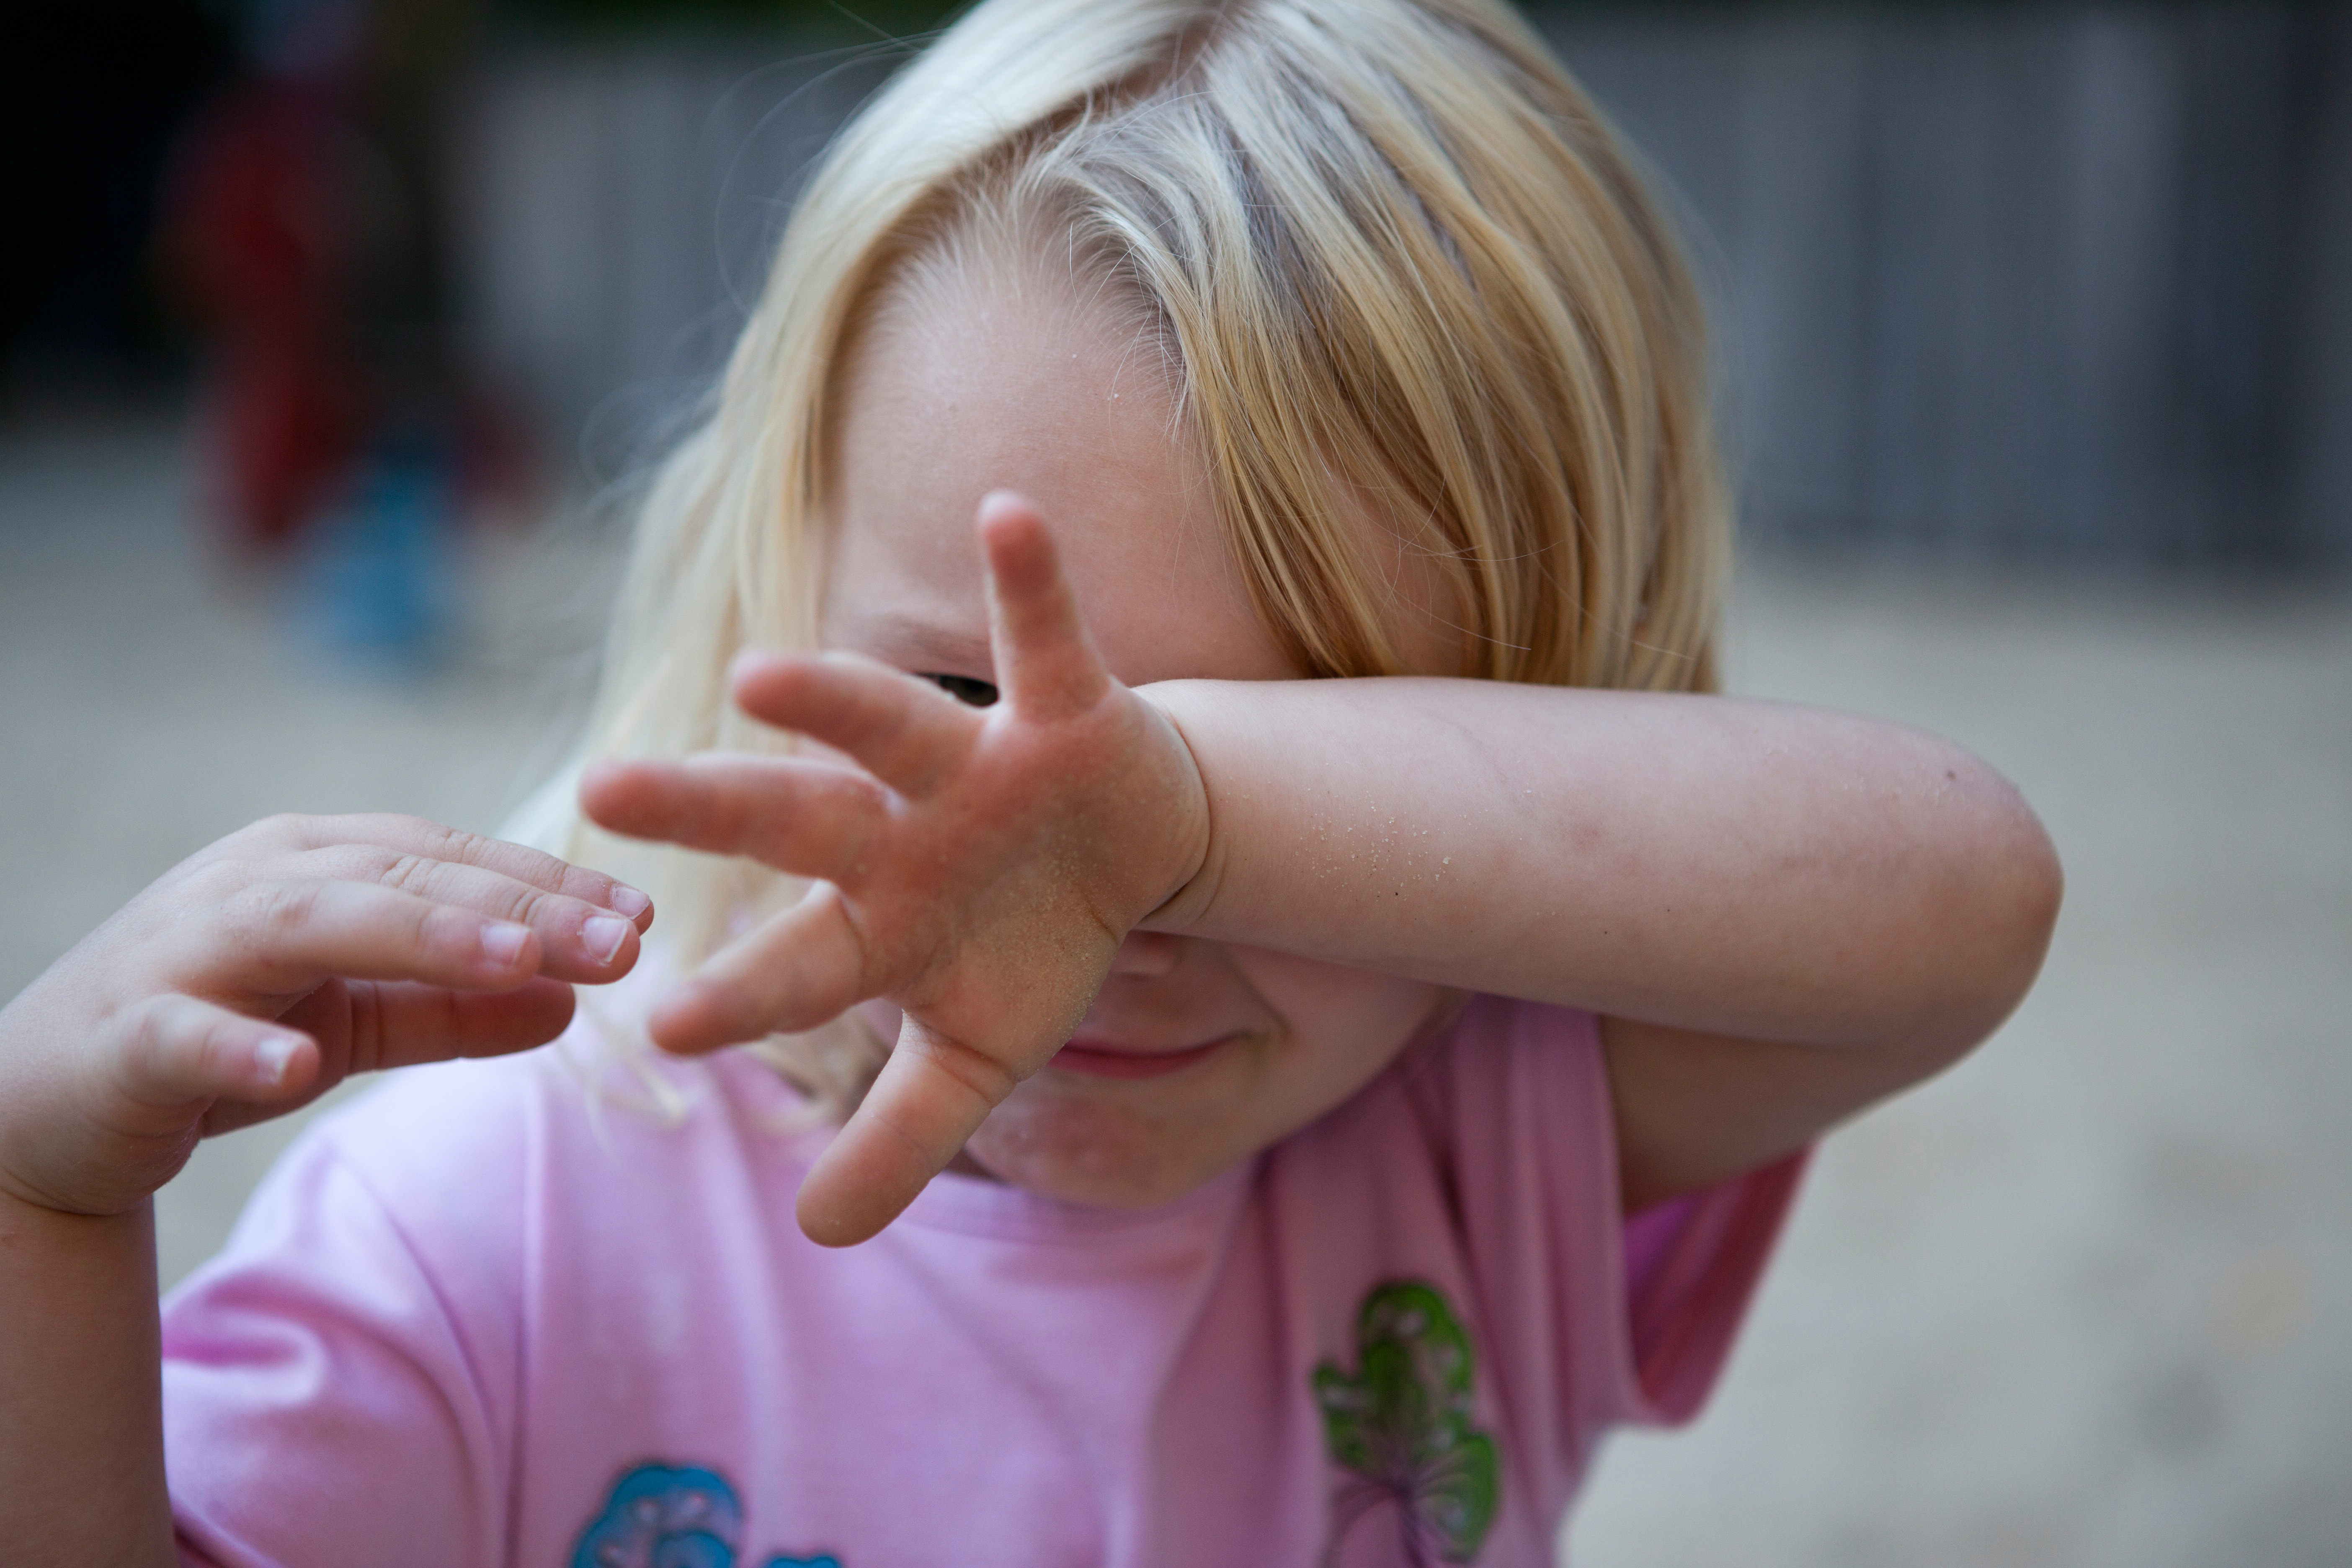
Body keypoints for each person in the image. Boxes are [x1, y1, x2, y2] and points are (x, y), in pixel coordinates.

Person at [0, 1, 2062, 1563]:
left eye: (1313, 736)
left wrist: (1198, 807)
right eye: (964, 701)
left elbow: (1967, 894)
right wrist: (39, 1217)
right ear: (771, 567)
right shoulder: (506, 1214)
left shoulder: (1478, 1126)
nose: (1092, 904)